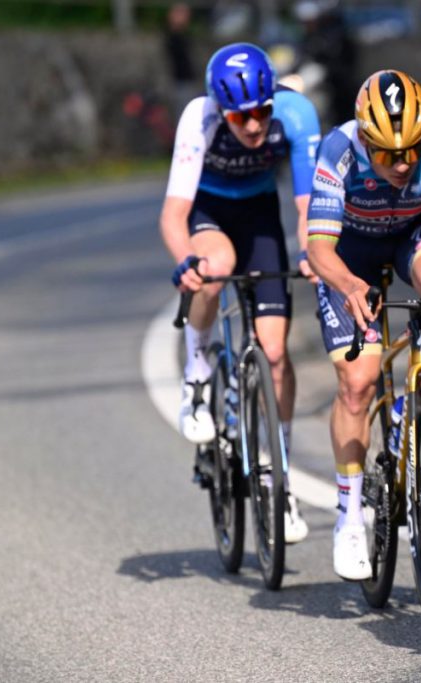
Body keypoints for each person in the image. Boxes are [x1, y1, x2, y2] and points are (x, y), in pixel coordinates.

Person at [160, 42, 321, 544]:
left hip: (259, 215)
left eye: (261, 112)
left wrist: (312, 252)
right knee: (215, 269)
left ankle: (281, 478)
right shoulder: (199, 117)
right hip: (207, 210)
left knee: (274, 354)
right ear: (221, 109)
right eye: (240, 116)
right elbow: (173, 214)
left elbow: (307, 207)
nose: (253, 125)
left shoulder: (295, 113)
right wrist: (185, 262)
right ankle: (197, 372)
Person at [306, 70, 421, 580]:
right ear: (365, 141)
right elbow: (318, 249)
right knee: (357, 383)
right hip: (351, 253)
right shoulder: (339, 149)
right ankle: (349, 516)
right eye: (387, 155)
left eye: (411, 151)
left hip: (412, 236)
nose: (402, 164)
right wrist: (350, 286)